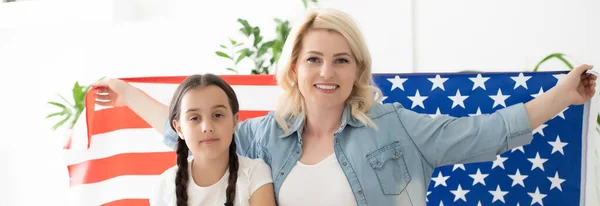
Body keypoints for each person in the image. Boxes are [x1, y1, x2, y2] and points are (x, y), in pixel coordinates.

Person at [92, 8, 597, 206]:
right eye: (314, 59)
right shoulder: (260, 137)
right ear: (294, 69)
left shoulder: (397, 127)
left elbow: (481, 131)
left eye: (341, 60)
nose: (327, 72)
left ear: (357, 68)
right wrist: (127, 92)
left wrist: (564, 96)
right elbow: (190, 132)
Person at [139, 74, 276, 206]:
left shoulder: (255, 173)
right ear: (179, 129)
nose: (207, 127)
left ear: (234, 122)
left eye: (217, 115)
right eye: (194, 118)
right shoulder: (164, 186)